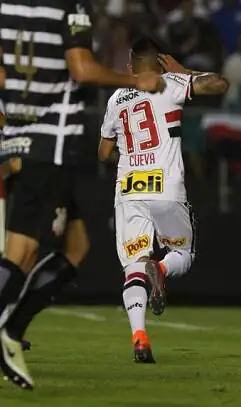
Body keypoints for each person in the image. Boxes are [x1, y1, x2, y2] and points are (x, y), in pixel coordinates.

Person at [0, 0, 165, 390]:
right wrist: (135, 81)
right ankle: (8, 333)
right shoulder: (69, 6)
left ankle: (10, 331)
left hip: (18, 140)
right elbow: (81, 68)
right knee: (20, 251)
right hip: (50, 145)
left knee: (76, 245)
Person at [98, 36, 228, 363]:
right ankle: (162, 268)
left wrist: (129, 156)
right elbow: (220, 84)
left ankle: (139, 336)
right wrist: (186, 71)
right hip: (167, 186)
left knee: (133, 266)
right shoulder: (170, 83)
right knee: (183, 251)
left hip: (129, 188)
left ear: (132, 66)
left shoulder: (116, 98)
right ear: (158, 62)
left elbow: (102, 152)